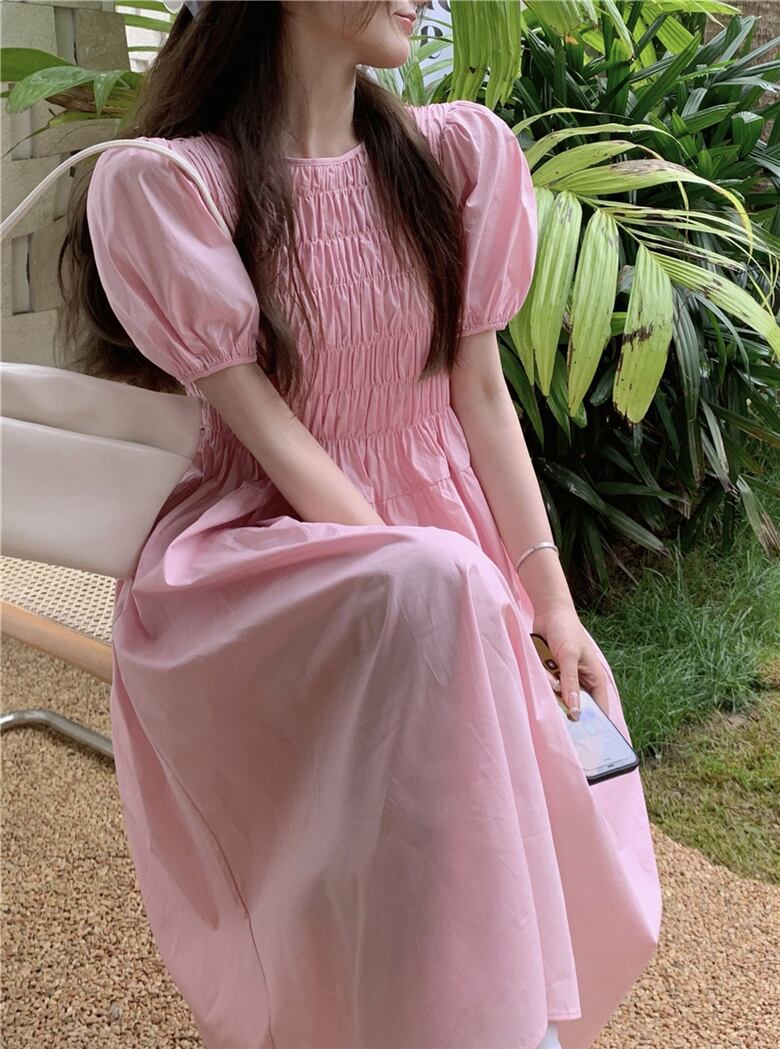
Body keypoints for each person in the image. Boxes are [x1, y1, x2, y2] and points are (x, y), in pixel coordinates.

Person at [60, 2, 663, 1046]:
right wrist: (428, 574)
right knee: (425, 621)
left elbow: (481, 396)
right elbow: (273, 438)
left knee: (452, 808)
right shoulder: (178, 184)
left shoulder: (452, 158)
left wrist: (550, 602)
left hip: (442, 555)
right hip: (270, 564)